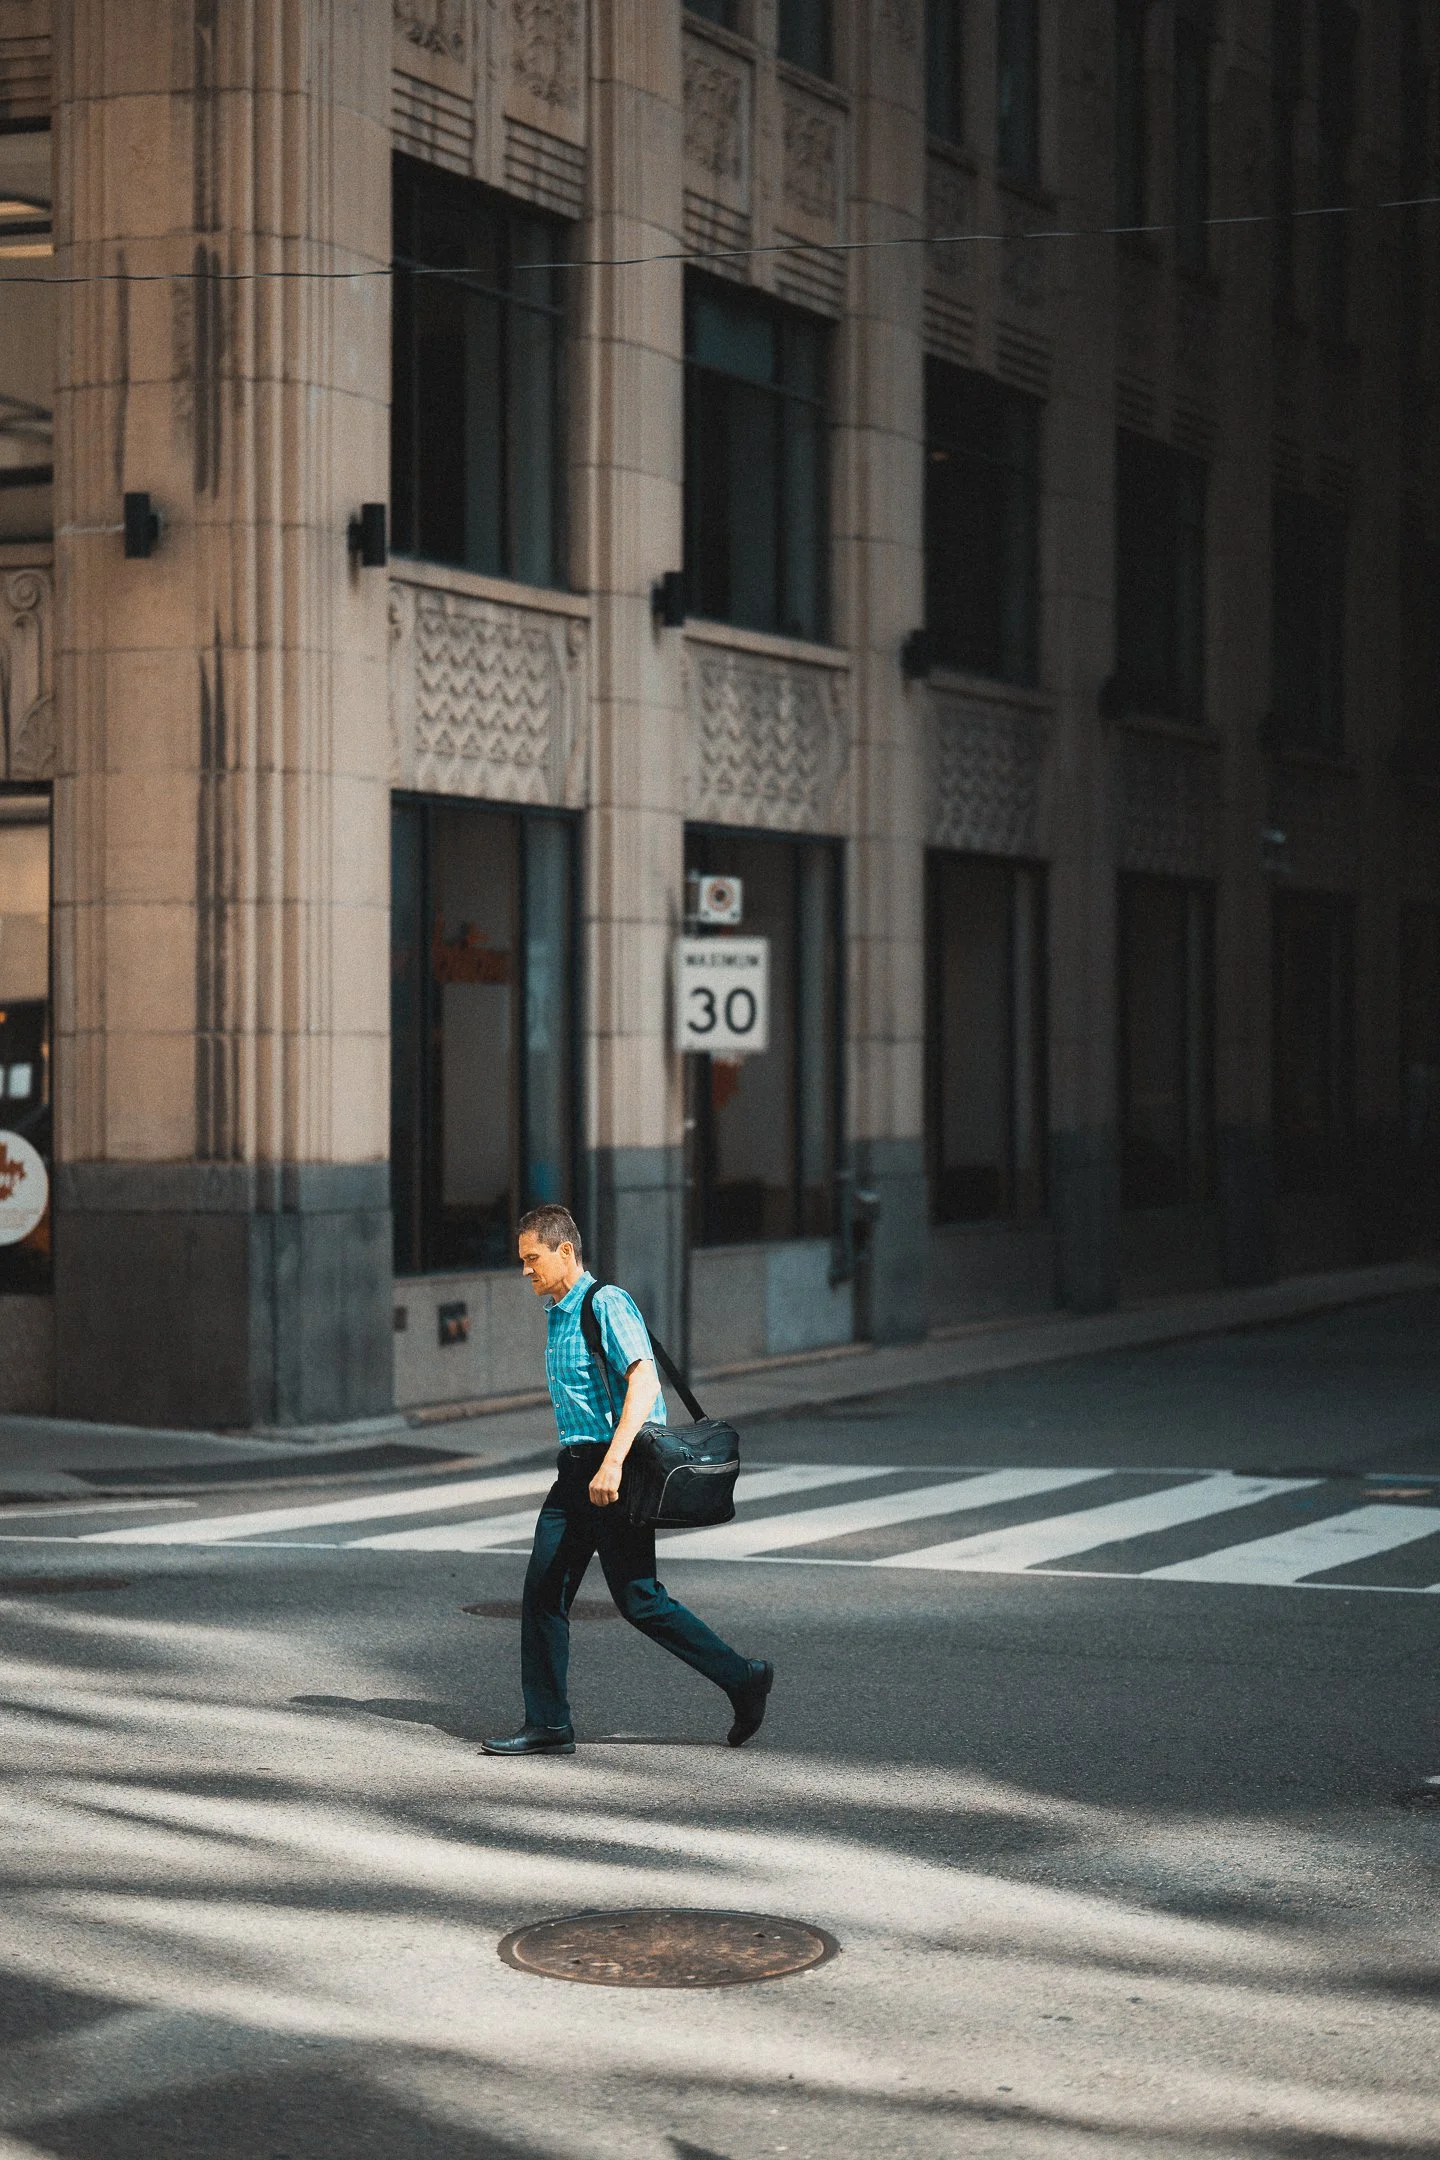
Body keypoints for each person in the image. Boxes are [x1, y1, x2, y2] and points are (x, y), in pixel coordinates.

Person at [481, 1203, 774, 1757]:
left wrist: (613, 1463)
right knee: (545, 1593)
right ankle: (548, 1723)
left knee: (640, 1601)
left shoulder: (605, 1303)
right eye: (522, 1261)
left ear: (565, 1250)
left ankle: (744, 1678)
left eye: (532, 1258)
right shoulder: (559, 1313)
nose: (525, 1271)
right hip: (577, 1471)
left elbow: (643, 1384)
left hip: (613, 1470)